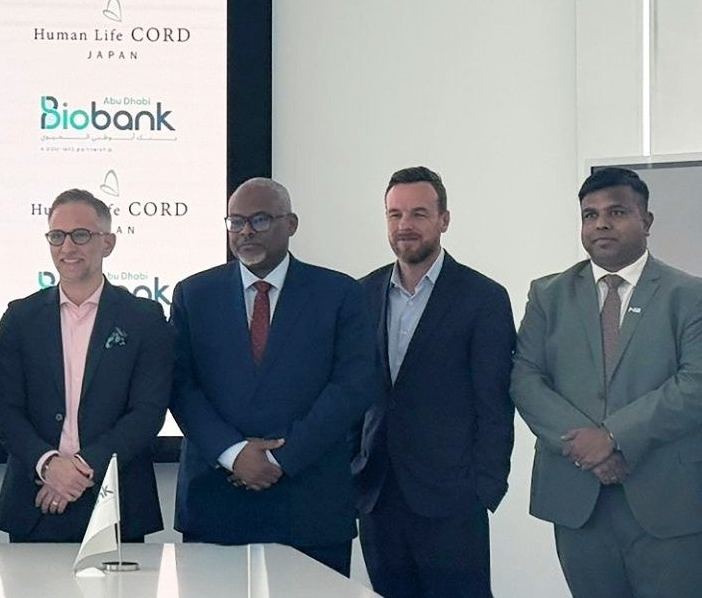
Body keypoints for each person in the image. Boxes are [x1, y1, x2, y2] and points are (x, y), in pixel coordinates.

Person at [168, 177, 378, 576]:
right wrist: (233, 454)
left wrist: (280, 458)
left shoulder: (339, 293)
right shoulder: (194, 294)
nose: (245, 232)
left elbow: (353, 387)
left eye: (260, 220)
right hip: (216, 504)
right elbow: (180, 387)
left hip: (310, 505)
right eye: (235, 222)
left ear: (291, 224)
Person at [512, 166, 702, 598]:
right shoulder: (548, 295)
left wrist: (614, 436)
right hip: (578, 500)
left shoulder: (689, 295)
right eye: (590, 214)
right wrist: (588, 448)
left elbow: (695, 384)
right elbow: (525, 378)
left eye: (616, 212)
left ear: (646, 221)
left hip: (668, 502)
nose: (601, 223)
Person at [354, 167, 515, 597]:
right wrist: (354, 474)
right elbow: (354, 395)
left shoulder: (483, 298)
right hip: (378, 497)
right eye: (395, 214)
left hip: (453, 501)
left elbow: (495, 403)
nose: (404, 225)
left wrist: (485, 488)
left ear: (444, 220)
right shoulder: (362, 294)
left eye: (418, 213)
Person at [0, 189, 172, 542]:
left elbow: (148, 412)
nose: (68, 247)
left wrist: (80, 469)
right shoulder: (19, 318)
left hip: (118, 502)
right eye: (57, 236)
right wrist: (49, 465)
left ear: (108, 243)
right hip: (35, 502)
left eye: (81, 235)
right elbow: (4, 409)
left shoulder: (144, 318)